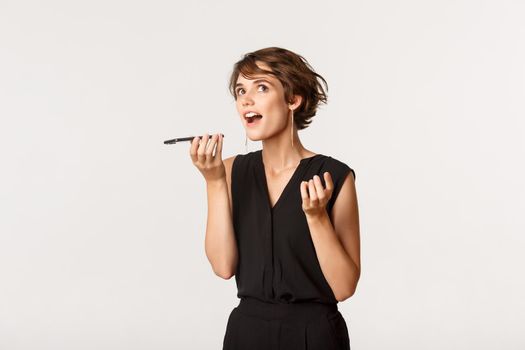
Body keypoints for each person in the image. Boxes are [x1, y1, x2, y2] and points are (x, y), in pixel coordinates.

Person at [189, 47, 360, 350]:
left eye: (262, 87)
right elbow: (223, 266)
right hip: (247, 334)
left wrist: (317, 217)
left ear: (294, 99)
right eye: (241, 90)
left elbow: (344, 287)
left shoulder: (335, 175)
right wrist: (214, 182)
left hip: (315, 336)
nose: (246, 99)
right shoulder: (227, 171)